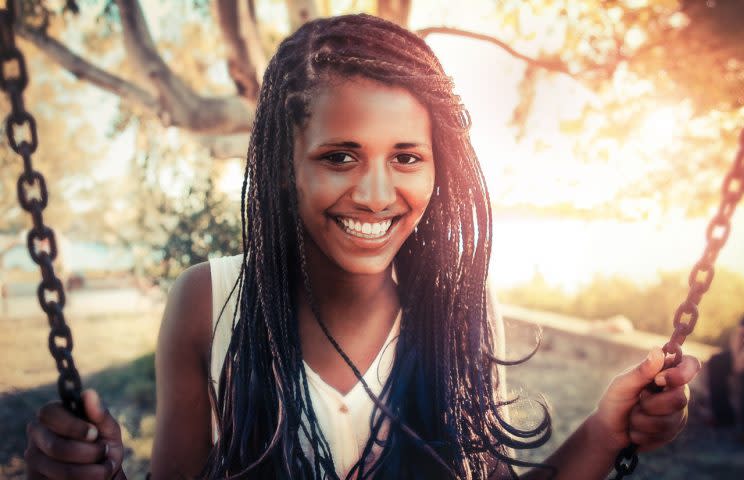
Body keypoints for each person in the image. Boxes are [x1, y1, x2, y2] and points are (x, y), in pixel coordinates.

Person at [24, 14, 700, 480]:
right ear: (284, 164)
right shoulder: (209, 303)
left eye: (407, 157)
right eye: (340, 156)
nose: (377, 194)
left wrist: (607, 431)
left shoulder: (458, 306)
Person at [707, 315, 744, 434]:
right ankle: (724, 416)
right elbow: (739, 333)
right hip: (740, 354)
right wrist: (736, 357)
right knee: (716, 362)